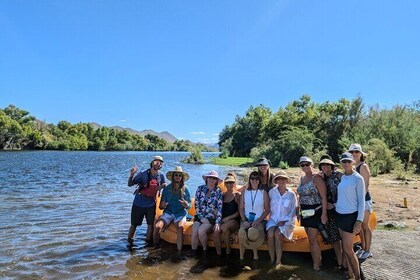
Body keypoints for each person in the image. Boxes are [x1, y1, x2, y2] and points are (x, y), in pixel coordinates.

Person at [336, 152, 365, 280]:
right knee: (345, 247)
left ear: (353, 162)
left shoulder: (358, 178)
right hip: (339, 215)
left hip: (350, 217)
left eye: (349, 161)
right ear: (341, 163)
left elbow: (361, 202)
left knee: (348, 249)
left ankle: (358, 277)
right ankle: (350, 274)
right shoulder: (342, 177)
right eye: (344, 161)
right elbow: (344, 196)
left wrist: (359, 221)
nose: (346, 163)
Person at [296, 156, 328, 271]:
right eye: (302, 165)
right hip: (305, 211)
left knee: (313, 239)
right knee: (310, 239)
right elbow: (300, 196)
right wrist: (298, 209)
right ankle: (318, 261)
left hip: (316, 210)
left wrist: (324, 214)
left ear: (311, 165)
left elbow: (324, 197)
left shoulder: (317, 178)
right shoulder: (302, 179)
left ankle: (316, 266)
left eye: (307, 164)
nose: (305, 166)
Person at [153, 166, 191, 258]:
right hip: (168, 212)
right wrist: (162, 205)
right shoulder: (167, 189)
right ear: (173, 176)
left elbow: (189, 206)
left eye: (179, 175)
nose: (178, 176)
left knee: (180, 227)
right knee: (157, 226)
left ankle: (179, 253)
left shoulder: (186, 189)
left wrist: (186, 204)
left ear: (182, 177)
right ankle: (155, 248)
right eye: (176, 175)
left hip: (180, 213)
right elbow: (160, 207)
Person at [127, 156, 166, 246]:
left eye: (160, 163)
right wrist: (132, 175)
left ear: (161, 165)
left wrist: (162, 186)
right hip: (138, 203)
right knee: (134, 224)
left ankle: (148, 245)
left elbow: (164, 183)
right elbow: (130, 184)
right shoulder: (143, 173)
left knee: (150, 225)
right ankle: (129, 243)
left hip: (151, 204)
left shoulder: (161, 175)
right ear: (152, 163)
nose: (158, 164)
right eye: (156, 162)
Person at [266, 170, 297, 268]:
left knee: (277, 234)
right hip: (273, 219)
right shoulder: (272, 192)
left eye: (283, 179)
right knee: (270, 233)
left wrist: (285, 221)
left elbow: (293, 210)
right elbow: (267, 207)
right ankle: (271, 259)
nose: (281, 181)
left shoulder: (291, 194)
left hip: (287, 220)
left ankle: (278, 261)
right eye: (279, 179)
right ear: (276, 181)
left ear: (287, 181)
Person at [318, 155, 344, 269]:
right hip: (329, 211)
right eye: (323, 164)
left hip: (341, 209)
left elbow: (346, 193)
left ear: (332, 165)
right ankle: (340, 263)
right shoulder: (321, 177)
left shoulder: (338, 176)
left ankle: (345, 264)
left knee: (343, 237)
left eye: (327, 164)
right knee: (335, 238)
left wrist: (334, 205)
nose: (325, 166)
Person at [190, 170, 223, 258]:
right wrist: (201, 218)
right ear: (207, 179)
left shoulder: (218, 192)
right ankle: (193, 253)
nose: (212, 180)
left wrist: (217, 222)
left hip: (211, 217)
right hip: (200, 216)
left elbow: (220, 209)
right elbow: (196, 204)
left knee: (201, 231)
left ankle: (204, 251)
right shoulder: (200, 189)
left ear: (216, 181)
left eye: (214, 178)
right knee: (194, 232)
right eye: (210, 177)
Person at [238, 171, 270, 261]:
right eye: (252, 178)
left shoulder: (263, 193)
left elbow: (267, 210)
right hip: (247, 219)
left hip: (259, 220)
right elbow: (241, 208)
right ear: (249, 180)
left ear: (259, 180)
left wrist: (258, 221)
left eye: (256, 179)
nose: (254, 180)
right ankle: (241, 257)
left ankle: (255, 256)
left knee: (253, 231)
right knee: (242, 231)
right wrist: (244, 220)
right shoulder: (244, 192)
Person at [349, 143, 373, 260]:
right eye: (352, 152)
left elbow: (366, 185)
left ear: (361, 153)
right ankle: (363, 247)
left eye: (356, 152)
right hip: (356, 201)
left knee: (365, 225)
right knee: (360, 226)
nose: (354, 154)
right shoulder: (352, 167)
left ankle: (367, 250)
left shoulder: (363, 166)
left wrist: (360, 202)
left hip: (364, 200)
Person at [214, 175, 240, 256]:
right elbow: (216, 207)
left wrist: (228, 218)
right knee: (217, 230)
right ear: (225, 184)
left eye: (231, 182)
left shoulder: (237, 195)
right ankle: (219, 254)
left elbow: (240, 211)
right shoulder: (222, 195)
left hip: (234, 220)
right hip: (223, 220)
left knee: (224, 227)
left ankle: (228, 249)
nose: (229, 184)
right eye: (227, 182)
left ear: (234, 183)